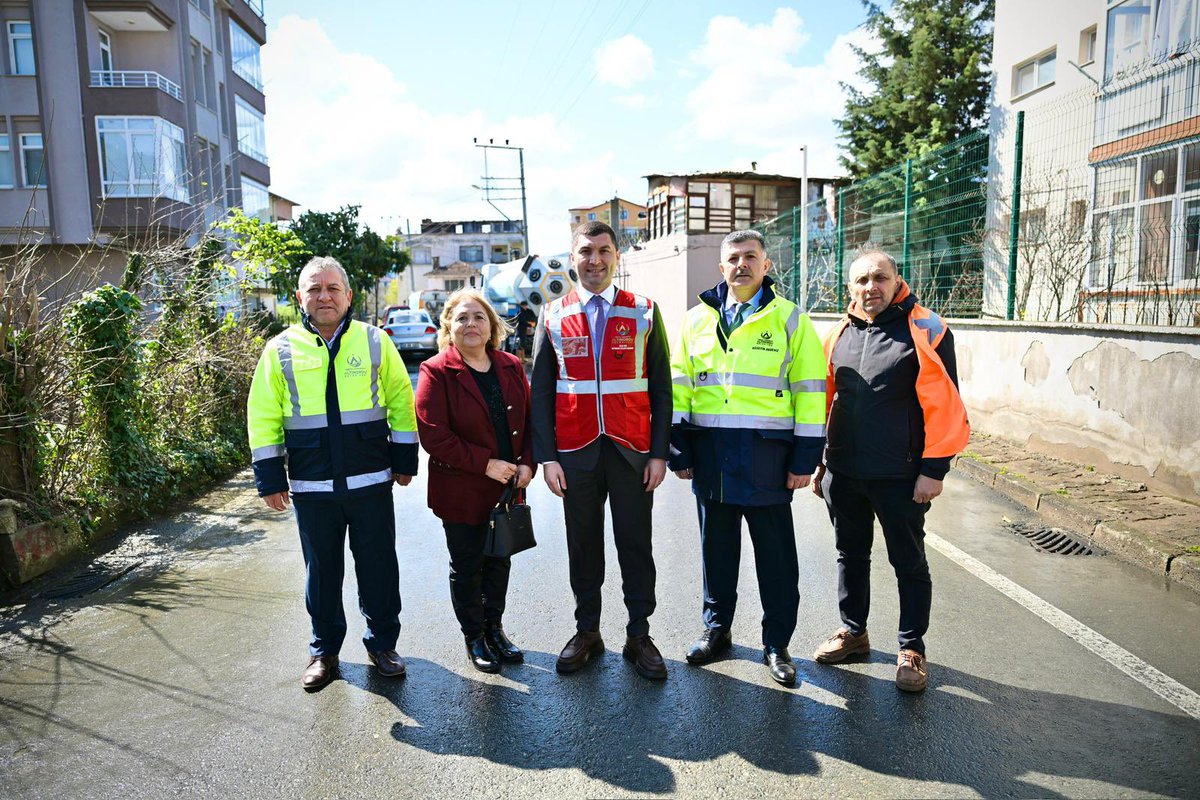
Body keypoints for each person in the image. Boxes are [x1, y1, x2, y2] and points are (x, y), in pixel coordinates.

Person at [247, 256, 418, 691]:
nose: (324, 296)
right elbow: (263, 414)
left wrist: (403, 460)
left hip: (370, 480)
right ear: (298, 297)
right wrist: (269, 477)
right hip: (312, 485)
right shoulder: (280, 349)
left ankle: (382, 645)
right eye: (314, 288)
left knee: (379, 567)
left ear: (348, 295)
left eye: (332, 288)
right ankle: (324, 652)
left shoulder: (375, 341)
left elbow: (401, 400)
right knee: (321, 572)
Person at [669, 229, 828, 687]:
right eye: (733, 258)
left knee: (776, 560)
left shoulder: (790, 320)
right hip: (712, 456)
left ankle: (777, 644)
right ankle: (716, 631)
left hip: (768, 459)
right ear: (721, 268)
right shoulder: (694, 321)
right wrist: (678, 447)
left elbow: (812, 394)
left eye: (750, 257)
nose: (741, 264)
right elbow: (679, 386)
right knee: (715, 552)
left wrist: (805, 459)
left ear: (766, 265)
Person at [811, 249, 969, 693]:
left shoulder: (926, 329)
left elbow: (947, 405)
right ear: (850, 288)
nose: (870, 287)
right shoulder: (838, 333)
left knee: (908, 562)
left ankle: (911, 647)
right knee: (850, 555)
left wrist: (934, 469)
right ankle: (853, 631)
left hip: (901, 476)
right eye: (860, 280)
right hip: (845, 472)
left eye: (879, 277)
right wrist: (823, 464)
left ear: (897, 279)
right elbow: (827, 403)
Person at [531, 220, 672, 680]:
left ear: (617, 256)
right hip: (575, 451)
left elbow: (663, 388)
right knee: (583, 545)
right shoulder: (552, 315)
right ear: (572, 258)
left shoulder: (646, 311)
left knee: (635, 544)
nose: (594, 260)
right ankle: (587, 631)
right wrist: (547, 456)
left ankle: (639, 633)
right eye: (586, 251)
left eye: (603, 251)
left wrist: (658, 453)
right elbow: (542, 392)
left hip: (632, 449)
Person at [414, 289, 535, 673]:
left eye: (479, 317)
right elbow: (434, 435)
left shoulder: (511, 365)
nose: (471, 324)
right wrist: (486, 464)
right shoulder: (436, 370)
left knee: (500, 559)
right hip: (463, 489)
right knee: (468, 565)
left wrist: (527, 464)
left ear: (491, 326)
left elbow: (531, 421)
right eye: (462, 317)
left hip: (509, 485)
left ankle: (495, 628)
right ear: (449, 325)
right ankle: (474, 636)